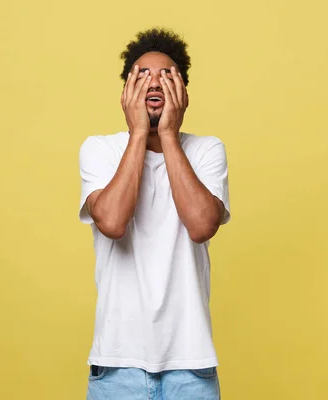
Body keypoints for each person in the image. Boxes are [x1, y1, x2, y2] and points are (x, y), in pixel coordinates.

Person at [79, 28, 230, 400]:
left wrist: (169, 136)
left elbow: (201, 225)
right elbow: (112, 222)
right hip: (116, 367)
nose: (155, 82)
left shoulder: (207, 150)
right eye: (143, 74)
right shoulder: (100, 149)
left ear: (183, 91)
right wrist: (136, 135)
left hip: (190, 368)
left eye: (167, 74)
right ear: (127, 89)